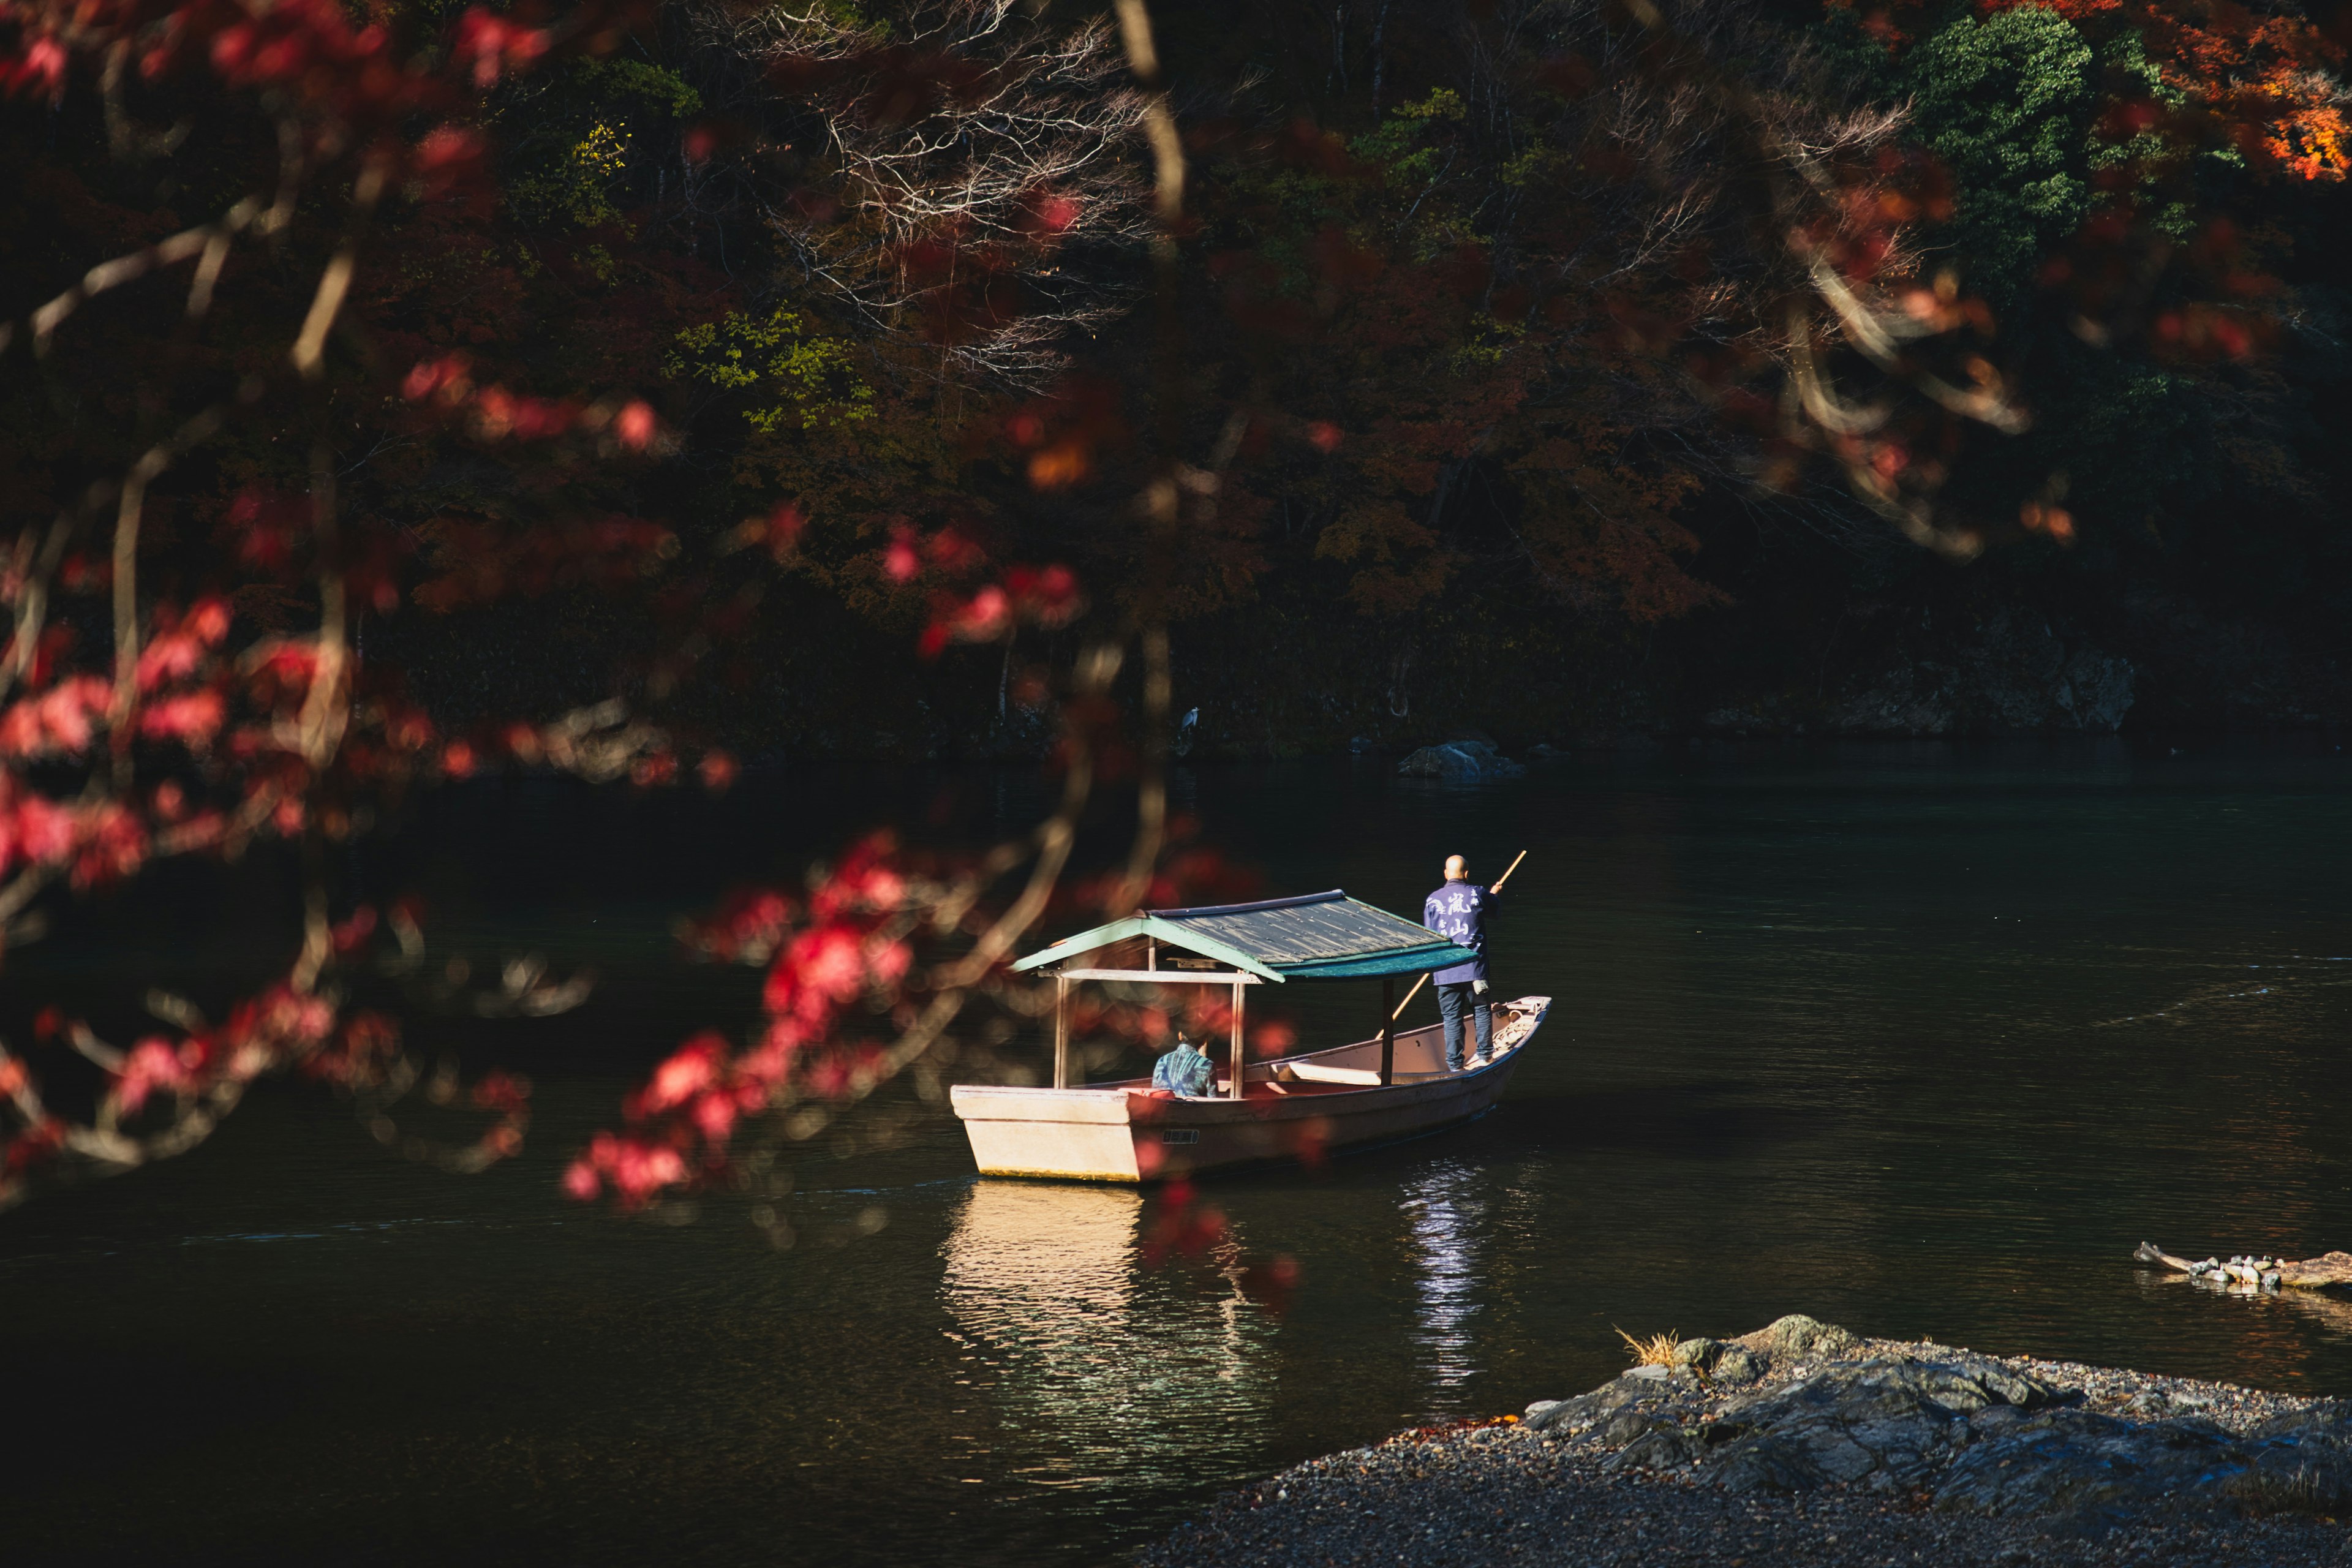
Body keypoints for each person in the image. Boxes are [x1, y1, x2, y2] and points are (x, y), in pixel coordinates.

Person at [1422, 854, 1499, 1071]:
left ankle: (1455, 1066)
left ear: (1446, 874)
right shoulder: (1478, 893)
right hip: (1475, 971)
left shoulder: (1432, 899)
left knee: (1451, 1018)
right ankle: (1485, 1057)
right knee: (1482, 1010)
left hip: (1445, 971)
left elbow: (1430, 935)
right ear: (1467, 874)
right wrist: (1493, 895)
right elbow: (1494, 910)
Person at [1150, 1033, 1215, 1096]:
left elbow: (1154, 1094)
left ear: (1180, 1036)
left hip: (1166, 1106)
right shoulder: (1207, 1065)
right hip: (1192, 1106)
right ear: (1204, 1041)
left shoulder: (1162, 1061)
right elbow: (1214, 1101)